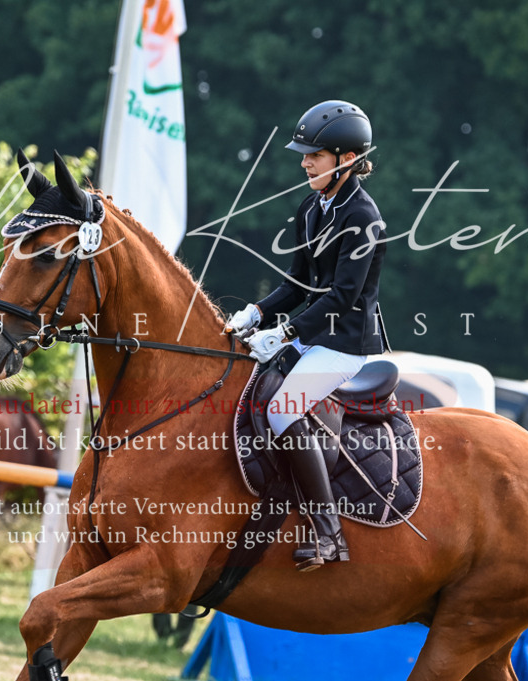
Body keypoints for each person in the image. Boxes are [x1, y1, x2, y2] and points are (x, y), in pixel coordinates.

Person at [224, 100, 390, 571]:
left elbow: (341, 296)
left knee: (281, 409)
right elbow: (296, 283)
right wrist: (255, 313)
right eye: (304, 155)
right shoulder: (313, 205)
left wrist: (286, 333)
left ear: (346, 160)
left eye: (313, 155)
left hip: (344, 345)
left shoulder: (363, 216)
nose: (304, 162)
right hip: (312, 336)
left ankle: (329, 534)